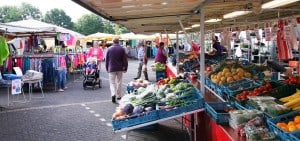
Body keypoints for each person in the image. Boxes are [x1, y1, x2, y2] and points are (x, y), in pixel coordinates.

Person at [105, 37, 128, 103]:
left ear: (113, 42)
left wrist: (107, 68)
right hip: (120, 68)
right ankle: (118, 96)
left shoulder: (109, 49)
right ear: (118, 42)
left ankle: (113, 94)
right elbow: (125, 60)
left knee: (112, 83)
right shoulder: (122, 49)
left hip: (111, 68)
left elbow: (107, 60)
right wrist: (125, 67)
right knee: (119, 82)